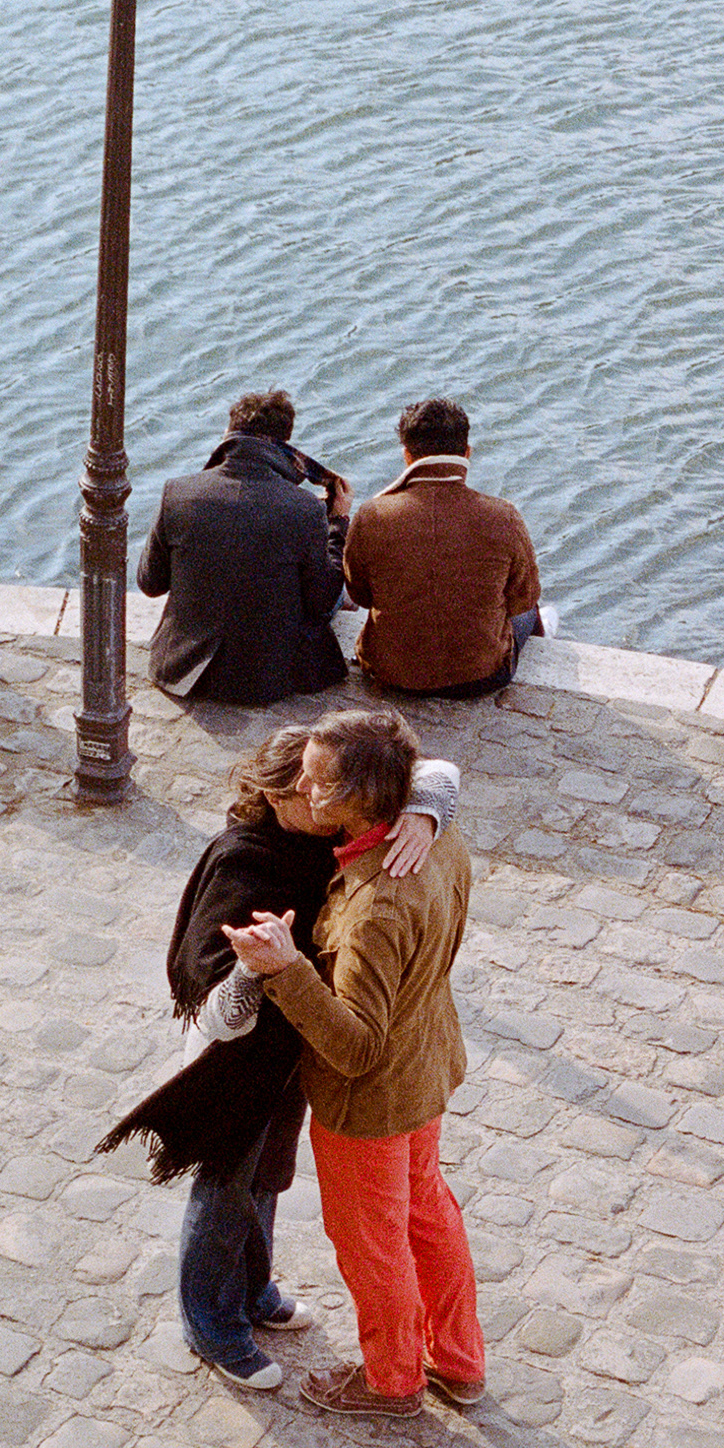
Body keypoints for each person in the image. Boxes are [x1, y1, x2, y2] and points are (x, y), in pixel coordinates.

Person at [97, 725, 460, 1391]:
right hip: (233, 1060)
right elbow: (212, 1010)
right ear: (271, 794)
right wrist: (254, 968)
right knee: (226, 1183)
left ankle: (255, 1289)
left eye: (319, 787)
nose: (308, 796)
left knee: (267, 1174)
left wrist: (428, 811)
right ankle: (211, 1321)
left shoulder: (325, 833)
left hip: (297, 1047)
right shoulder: (244, 862)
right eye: (298, 789)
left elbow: (432, 769)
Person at [225, 708, 484, 1418]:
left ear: (355, 800)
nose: (301, 790)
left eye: (315, 784)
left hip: (367, 1105)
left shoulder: (374, 907)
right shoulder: (437, 832)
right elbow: (434, 773)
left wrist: (287, 968)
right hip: (426, 1070)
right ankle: (459, 1362)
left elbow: (357, 1044)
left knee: (372, 1243)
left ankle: (392, 1380)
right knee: (428, 1212)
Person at [136, 389, 351, 706]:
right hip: (265, 679)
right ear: (285, 444)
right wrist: (338, 523)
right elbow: (321, 601)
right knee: (335, 592)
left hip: (182, 670)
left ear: (227, 434)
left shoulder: (178, 492)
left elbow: (150, 584)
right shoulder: (303, 508)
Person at [342, 397, 554, 698]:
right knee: (531, 609)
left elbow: (360, 595)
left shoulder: (371, 514)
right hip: (481, 676)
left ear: (407, 456)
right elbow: (523, 598)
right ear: (466, 452)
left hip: (391, 675)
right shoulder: (504, 515)